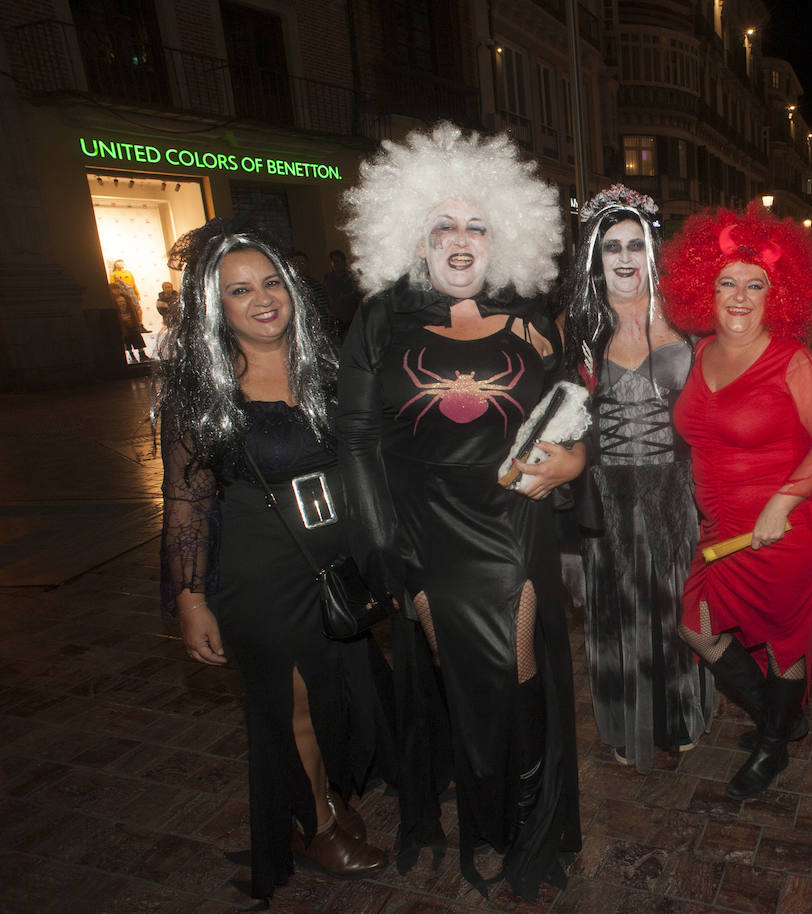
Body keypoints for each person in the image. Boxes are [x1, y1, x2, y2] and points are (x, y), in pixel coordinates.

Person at [337, 123, 582, 899]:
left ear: (504, 234)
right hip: (425, 531)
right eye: (443, 223)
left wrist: (571, 461)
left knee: (517, 672)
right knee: (458, 676)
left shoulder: (534, 317)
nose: (461, 237)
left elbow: (572, 405)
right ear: (413, 235)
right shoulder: (380, 320)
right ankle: (484, 819)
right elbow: (354, 439)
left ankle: (526, 820)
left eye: (478, 223)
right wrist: (384, 549)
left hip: (514, 526)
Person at [156, 220, 391, 901]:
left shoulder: (328, 363)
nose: (262, 300)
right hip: (258, 574)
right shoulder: (202, 392)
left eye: (270, 283)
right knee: (295, 708)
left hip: (331, 560)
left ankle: (320, 795)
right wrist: (192, 598)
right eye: (238, 291)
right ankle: (314, 827)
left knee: (337, 691)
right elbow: (186, 502)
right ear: (215, 306)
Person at [662, 205, 812, 800]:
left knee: (783, 643)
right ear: (706, 286)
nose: (741, 296)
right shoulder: (700, 353)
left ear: (778, 295)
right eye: (728, 281)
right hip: (721, 527)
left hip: (782, 528)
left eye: (758, 284)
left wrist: (781, 502)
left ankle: (774, 743)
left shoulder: (792, 360)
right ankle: (780, 719)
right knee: (695, 625)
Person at [562, 184, 714, 773]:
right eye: (611, 249)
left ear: (652, 253)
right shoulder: (577, 329)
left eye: (635, 245)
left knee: (675, 607)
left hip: (675, 494)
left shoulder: (689, 324)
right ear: (595, 262)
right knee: (615, 612)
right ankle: (628, 722)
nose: (624, 258)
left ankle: (677, 719)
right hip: (605, 495)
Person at [323, 249, 362, 341]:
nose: (336, 264)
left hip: (352, 318)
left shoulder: (352, 277)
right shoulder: (327, 278)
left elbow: (359, 296)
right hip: (335, 320)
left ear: (344, 262)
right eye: (333, 261)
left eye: (338, 261)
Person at [111, 279, 150, 362]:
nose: (117, 291)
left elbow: (133, 309)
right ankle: (131, 355)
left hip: (131, 320)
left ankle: (142, 354)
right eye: (114, 289)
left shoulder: (126, 297)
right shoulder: (111, 300)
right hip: (121, 322)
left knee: (137, 337)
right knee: (127, 340)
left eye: (118, 289)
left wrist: (137, 320)